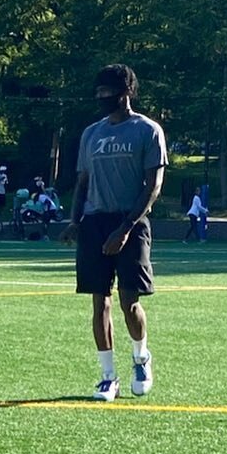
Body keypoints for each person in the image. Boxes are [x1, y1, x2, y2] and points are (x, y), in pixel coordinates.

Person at [61, 64, 166, 401]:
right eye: (98, 92)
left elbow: (153, 187)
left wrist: (125, 229)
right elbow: (83, 181)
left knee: (128, 301)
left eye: (107, 92)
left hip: (132, 223)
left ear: (125, 93)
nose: (101, 98)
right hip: (95, 222)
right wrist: (75, 220)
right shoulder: (91, 134)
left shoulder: (147, 131)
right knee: (99, 301)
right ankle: (108, 376)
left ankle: (141, 357)